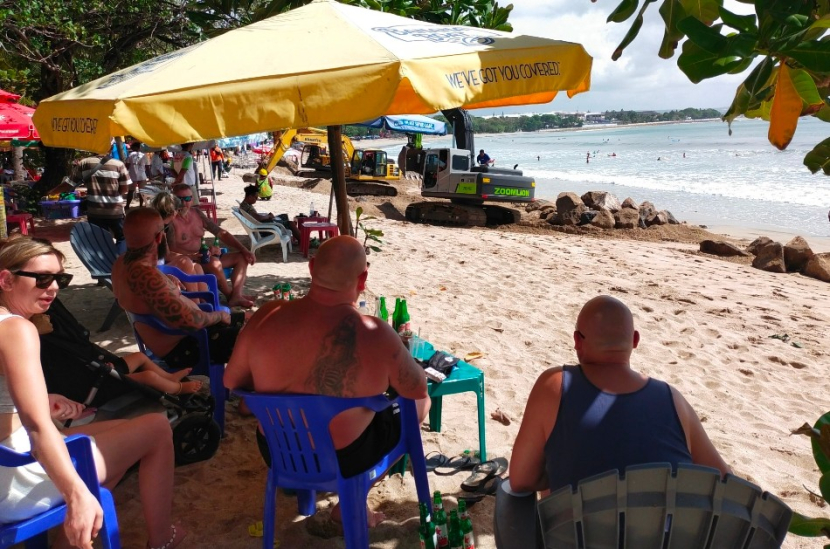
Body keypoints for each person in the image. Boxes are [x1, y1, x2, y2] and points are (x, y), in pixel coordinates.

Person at [225, 235, 430, 527]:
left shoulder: (267, 315)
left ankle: (311, 497)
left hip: (277, 451)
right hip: (346, 458)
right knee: (422, 403)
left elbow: (232, 379)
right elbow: (416, 388)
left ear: (311, 268)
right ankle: (354, 501)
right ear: (363, 279)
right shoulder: (375, 333)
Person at [0, 236, 185, 549]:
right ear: (6, 279)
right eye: (42, 278)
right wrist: (76, 497)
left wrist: (41, 403)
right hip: (14, 482)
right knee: (155, 428)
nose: (54, 288)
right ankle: (162, 538)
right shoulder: (17, 330)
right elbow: (38, 429)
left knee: (121, 435)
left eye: (60, 278)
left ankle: (64, 544)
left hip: (7, 460)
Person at [509, 295, 730, 494]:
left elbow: (520, 480)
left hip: (574, 538)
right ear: (635, 341)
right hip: (665, 538)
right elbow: (723, 480)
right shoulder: (673, 400)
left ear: (577, 341)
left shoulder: (554, 386)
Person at [112, 208, 245, 371]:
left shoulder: (121, 263)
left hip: (188, 337)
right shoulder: (145, 276)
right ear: (160, 237)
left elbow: (143, 294)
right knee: (262, 336)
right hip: (189, 347)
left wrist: (166, 279)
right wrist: (218, 316)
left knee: (252, 318)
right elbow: (191, 322)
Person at [167, 184, 257, 308]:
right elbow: (165, 253)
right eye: (179, 199)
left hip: (203, 257)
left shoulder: (197, 213)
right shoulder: (169, 221)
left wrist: (244, 249)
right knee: (214, 263)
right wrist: (191, 256)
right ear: (172, 199)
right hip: (187, 262)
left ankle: (236, 295)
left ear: (192, 199)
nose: (183, 203)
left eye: (187, 199)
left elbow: (221, 233)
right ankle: (231, 296)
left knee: (242, 257)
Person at [51, 154, 131, 247]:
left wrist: (52, 192)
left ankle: (105, 260)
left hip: (94, 210)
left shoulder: (85, 163)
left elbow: (69, 184)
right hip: (115, 210)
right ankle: (120, 259)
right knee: (122, 238)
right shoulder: (118, 164)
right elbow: (124, 189)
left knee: (100, 240)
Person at [125, 141, 149, 209]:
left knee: (131, 191)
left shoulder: (130, 154)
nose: (131, 148)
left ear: (135, 147)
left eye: (132, 147)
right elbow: (147, 167)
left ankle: (127, 206)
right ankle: (141, 205)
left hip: (133, 175)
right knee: (142, 191)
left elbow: (127, 165)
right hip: (142, 175)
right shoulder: (144, 155)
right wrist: (149, 176)